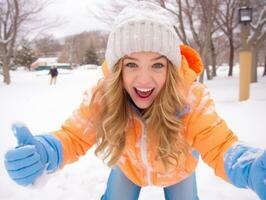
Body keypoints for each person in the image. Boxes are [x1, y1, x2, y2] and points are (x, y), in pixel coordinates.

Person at [4, 2, 266, 200]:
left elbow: (219, 145)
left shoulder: (190, 98)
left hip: (177, 168)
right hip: (129, 168)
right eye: (131, 64)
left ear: (170, 68)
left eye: (156, 65)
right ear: (118, 68)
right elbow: (74, 136)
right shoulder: (104, 96)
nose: (144, 80)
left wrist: (250, 167)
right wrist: (45, 153)